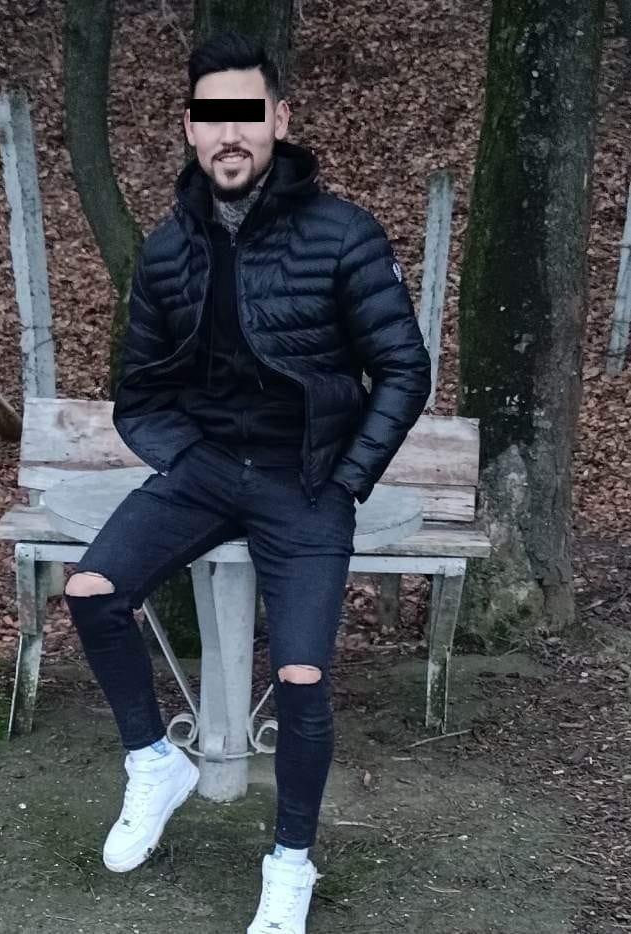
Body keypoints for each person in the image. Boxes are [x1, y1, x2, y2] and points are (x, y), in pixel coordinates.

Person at [63, 28, 432, 934]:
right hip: (204, 470)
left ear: (278, 119)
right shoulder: (167, 250)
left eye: (246, 113)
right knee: (92, 591)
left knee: (299, 675)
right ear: (190, 128)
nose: (229, 133)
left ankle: (289, 865)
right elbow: (139, 390)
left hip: (306, 479)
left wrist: (345, 480)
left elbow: (403, 369)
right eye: (211, 115)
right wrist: (184, 457)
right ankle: (154, 763)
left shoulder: (342, 234)